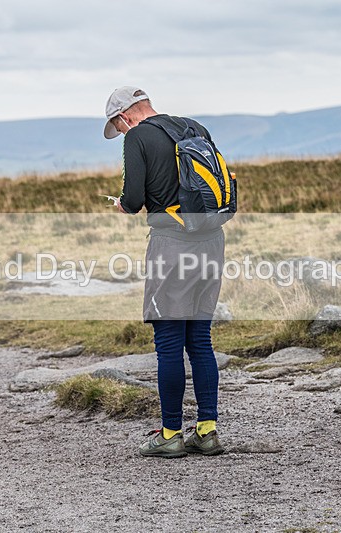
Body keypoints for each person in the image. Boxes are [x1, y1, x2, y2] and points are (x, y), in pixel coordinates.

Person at [104, 87, 226, 458]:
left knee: (169, 342)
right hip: (212, 240)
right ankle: (206, 430)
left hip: (171, 244)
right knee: (200, 340)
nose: (122, 133)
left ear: (126, 116)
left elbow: (135, 198)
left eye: (118, 126)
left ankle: (170, 433)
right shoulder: (194, 128)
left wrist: (123, 206)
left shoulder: (139, 136)